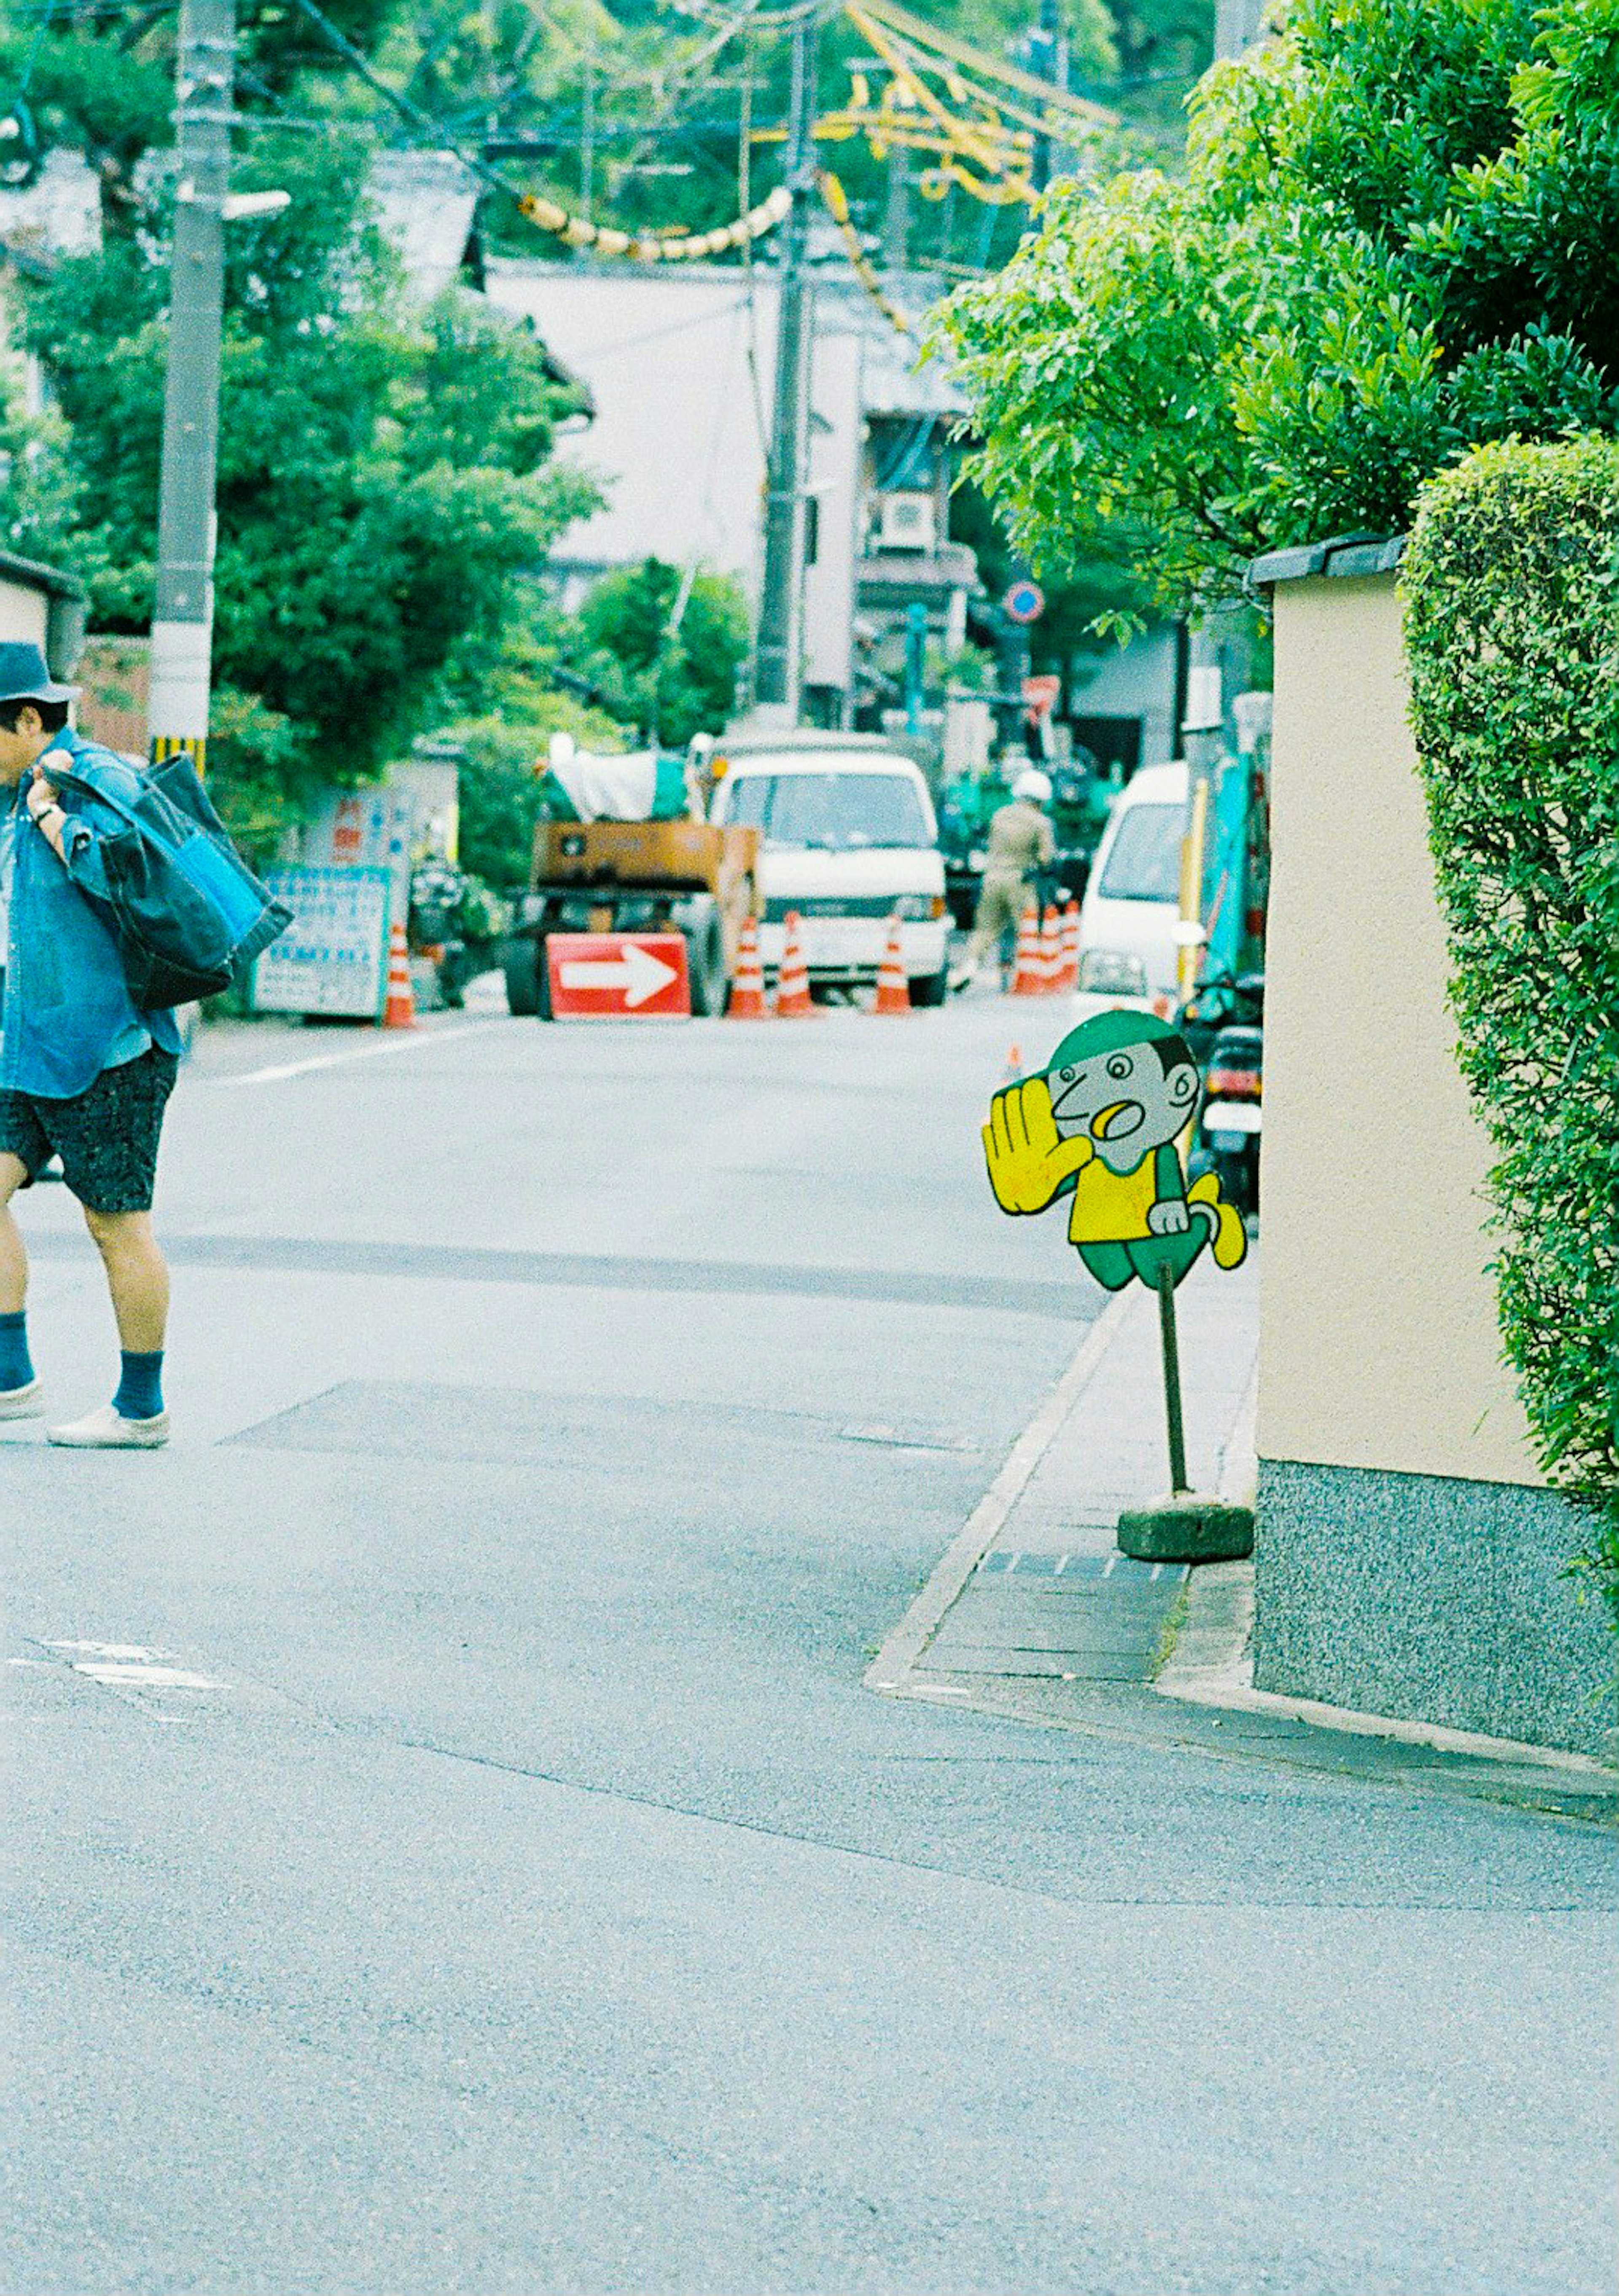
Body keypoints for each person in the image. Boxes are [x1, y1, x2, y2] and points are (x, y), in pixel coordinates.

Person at [0, 643, 183, 1447]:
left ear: (28, 721)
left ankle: (141, 1408)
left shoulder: (96, 779)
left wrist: (49, 812)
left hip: (112, 1048)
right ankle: (13, 1380)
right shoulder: (17, 792)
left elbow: (127, 877)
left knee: (117, 1225)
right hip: (30, 1046)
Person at [965, 765, 1056, 980]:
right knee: (1026, 930)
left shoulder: (1000, 815)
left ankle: (967, 968)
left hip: (992, 878)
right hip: (1020, 882)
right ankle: (1025, 976)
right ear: (1042, 799)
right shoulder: (1041, 823)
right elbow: (1046, 858)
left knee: (985, 931)